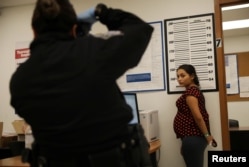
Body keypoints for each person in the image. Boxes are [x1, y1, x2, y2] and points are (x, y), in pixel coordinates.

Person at [9, 0, 154, 167]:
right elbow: (139, 30)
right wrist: (102, 12)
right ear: (73, 28)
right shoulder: (93, 51)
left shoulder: (20, 80)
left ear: (34, 31)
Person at [173, 64, 216, 167]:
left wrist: (207, 136)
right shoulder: (193, 91)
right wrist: (185, 142)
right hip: (190, 139)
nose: (179, 79)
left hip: (193, 138)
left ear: (192, 76)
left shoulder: (191, 92)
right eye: (178, 76)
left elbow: (198, 117)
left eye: (183, 76)